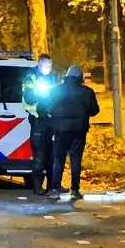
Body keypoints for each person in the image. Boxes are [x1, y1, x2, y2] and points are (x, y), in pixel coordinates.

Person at [46, 64, 100, 201]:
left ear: (67, 76)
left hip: (60, 130)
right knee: (76, 159)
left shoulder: (55, 90)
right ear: (80, 77)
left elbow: (48, 107)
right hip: (79, 130)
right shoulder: (87, 92)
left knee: (58, 159)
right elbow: (94, 110)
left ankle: (54, 189)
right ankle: (75, 190)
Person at [21, 54, 58, 194]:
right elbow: (29, 97)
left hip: (51, 120)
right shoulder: (31, 76)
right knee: (39, 155)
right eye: (46, 65)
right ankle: (37, 187)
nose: (49, 68)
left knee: (52, 154)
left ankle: (52, 186)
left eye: (50, 65)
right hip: (38, 119)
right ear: (39, 64)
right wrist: (44, 106)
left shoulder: (53, 77)